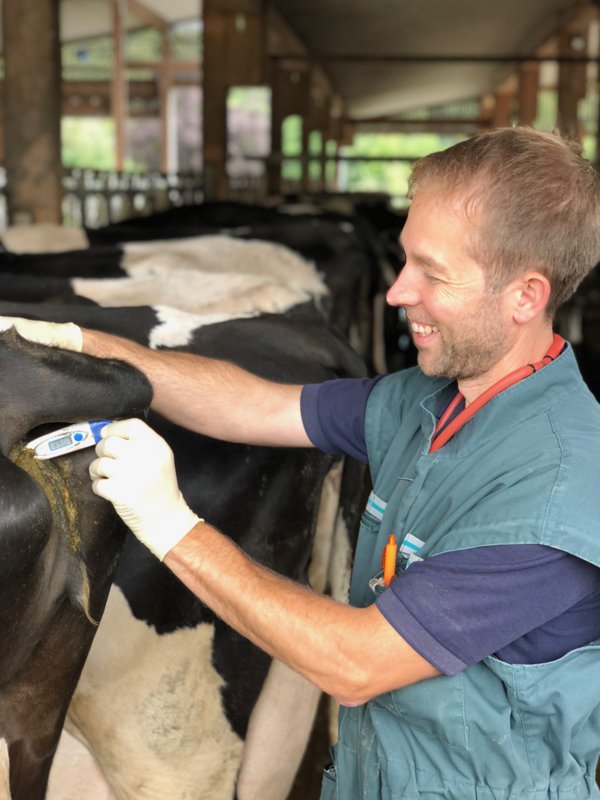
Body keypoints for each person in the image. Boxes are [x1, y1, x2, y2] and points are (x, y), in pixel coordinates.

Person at [2, 126, 600, 800]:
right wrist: (89, 349)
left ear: (525, 296)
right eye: (404, 262)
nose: (398, 292)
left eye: (431, 273)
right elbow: (253, 405)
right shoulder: (422, 402)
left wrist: (172, 527)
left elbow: (354, 663)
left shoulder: (556, 490)